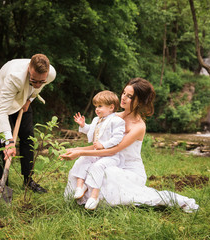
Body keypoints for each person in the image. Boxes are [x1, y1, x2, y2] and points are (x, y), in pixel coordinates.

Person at [61, 78, 199, 213]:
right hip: (110, 161)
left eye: (130, 96)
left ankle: (178, 201)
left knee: (106, 173)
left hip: (129, 169)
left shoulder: (138, 126)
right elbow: (101, 146)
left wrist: (79, 152)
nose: (124, 98)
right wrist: (77, 149)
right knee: (86, 164)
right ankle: (86, 195)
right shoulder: (112, 117)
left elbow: (112, 150)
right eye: (124, 93)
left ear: (140, 101)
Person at [0, 53, 56, 193]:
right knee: (2, 143)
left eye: (42, 81)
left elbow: (37, 88)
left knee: (28, 137)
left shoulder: (50, 74)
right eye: (34, 80)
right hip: (0, 97)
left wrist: (29, 100)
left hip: (23, 96)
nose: (38, 84)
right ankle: (1, 183)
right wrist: (9, 141)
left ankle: (28, 181)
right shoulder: (14, 76)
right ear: (29, 69)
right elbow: (2, 110)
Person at [69, 90, 125, 210]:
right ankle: (80, 186)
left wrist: (103, 145)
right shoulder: (96, 119)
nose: (97, 109)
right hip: (97, 152)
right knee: (82, 159)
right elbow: (92, 131)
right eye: (96, 106)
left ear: (111, 107)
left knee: (97, 166)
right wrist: (83, 125)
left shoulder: (117, 121)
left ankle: (94, 196)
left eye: (100, 106)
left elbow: (118, 138)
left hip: (110, 155)